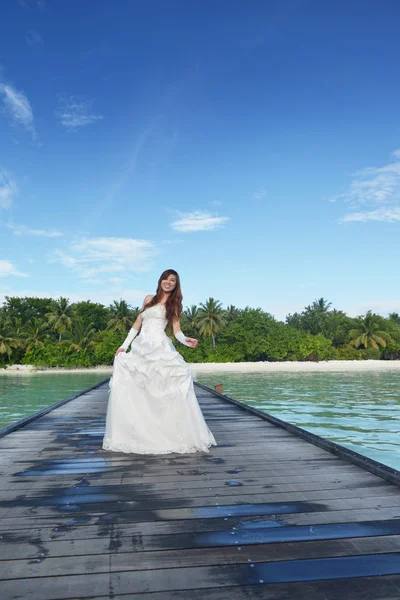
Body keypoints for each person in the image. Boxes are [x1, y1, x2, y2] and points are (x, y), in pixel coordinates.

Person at [102, 269, 217, 455]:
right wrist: (124, 346)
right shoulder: (148, 299)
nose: (168, 282)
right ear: (160, 280)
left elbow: (177, 331)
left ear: (175, 285)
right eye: (166, 278)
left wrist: (186, 341)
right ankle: (141, 433)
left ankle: (166, 433)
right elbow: (137, 325)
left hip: (160, 347)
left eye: (172, 280)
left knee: (161, 389)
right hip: (142, 347)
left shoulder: (175, 305)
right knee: (141, 389)